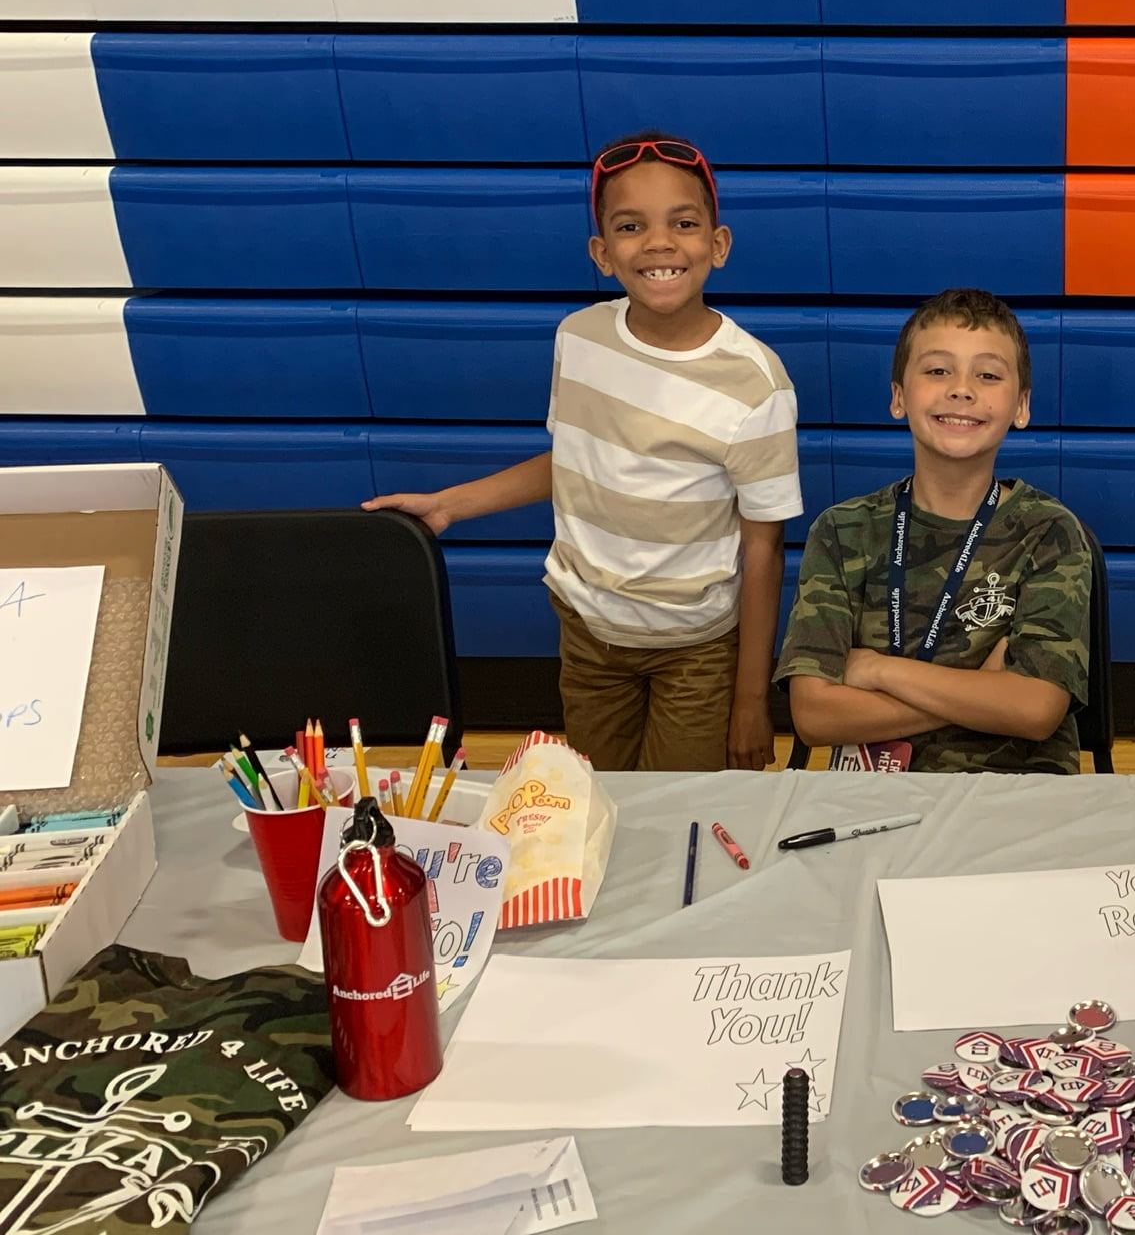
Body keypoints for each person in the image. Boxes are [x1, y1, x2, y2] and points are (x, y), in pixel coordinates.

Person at [363, 132, 800, 772]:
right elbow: (576, 459)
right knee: (601, 800)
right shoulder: (580, 337)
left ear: (718, 244)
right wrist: (450, 505)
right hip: (589, 635)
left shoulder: (756, 383)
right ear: (602, 253)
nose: (658, 243)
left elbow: (764, 548)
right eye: (631, 226)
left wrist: (751, 701)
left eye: (683, 223)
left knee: (675, 808)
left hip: (696, 649)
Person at [776, 289, 1091, 774]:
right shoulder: (842, 531)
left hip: (1017, 795)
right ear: (899, 397)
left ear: (1022, 406)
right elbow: (815, 716)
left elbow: (1034, 710)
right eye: (938, 370)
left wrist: (878, 669)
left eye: (988, 375)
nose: (961, 389)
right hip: (873, 798)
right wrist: (984, 689)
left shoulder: (1049, 531)